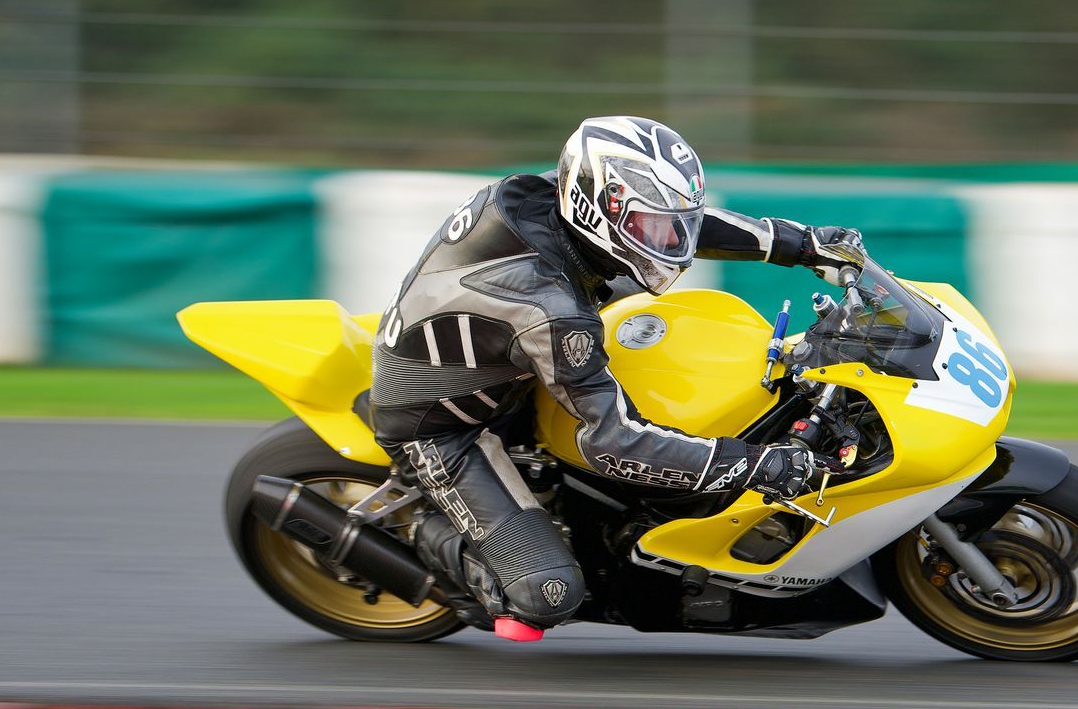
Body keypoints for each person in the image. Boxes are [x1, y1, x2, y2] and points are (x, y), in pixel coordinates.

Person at [370, 114, 865, 640]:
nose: (671, 242)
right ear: (596, 206)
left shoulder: (549, 196)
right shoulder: (550, 308)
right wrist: (755, 466)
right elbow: (613, 442)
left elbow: (688, 224)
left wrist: (803, 243)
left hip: (501, 352)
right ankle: (434, 541)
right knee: (548, 595)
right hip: (445, 424)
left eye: (669, 224)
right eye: (654, 227)